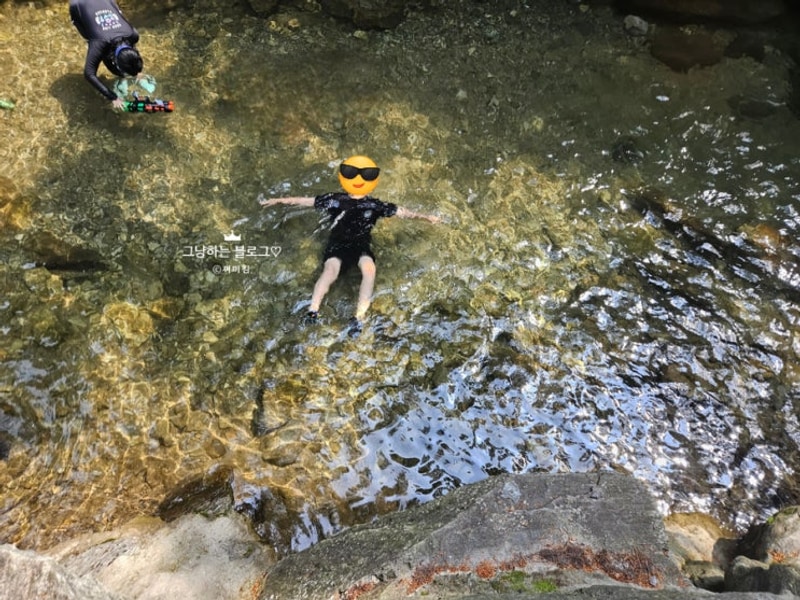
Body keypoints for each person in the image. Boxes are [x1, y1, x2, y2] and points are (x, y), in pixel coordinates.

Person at [259, 155, 440, 331]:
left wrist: (425, 218)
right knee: (330, 271)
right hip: (337, 245)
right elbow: (305, 201)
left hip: (361, 247)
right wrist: (279, 201)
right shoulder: (335, 200)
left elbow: (403, 212)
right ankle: (313, 310)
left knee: (369, 270)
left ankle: (358, 317)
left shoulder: (375, 206)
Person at [69, 0, 145, 110]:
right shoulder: (98, 44)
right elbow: (89, 74)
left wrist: (137, 73)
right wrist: (112, 97)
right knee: (91, 36)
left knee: (105, 46)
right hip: (78, 4)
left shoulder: (133, 35)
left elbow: (132, 49)